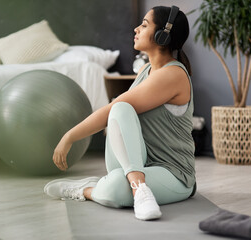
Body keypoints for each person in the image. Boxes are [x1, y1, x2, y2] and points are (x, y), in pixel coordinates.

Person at [44, 5, 196, 221]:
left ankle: (88, 190)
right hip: (138, 162)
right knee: (121, 107)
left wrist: (69, 136)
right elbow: (116, 111)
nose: (136, 29)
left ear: (162, 36)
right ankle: (138, 187)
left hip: (173, 174)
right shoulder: (146, 71)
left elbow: (107, 111)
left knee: (115, 187)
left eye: (144, 25)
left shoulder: (173, 74)